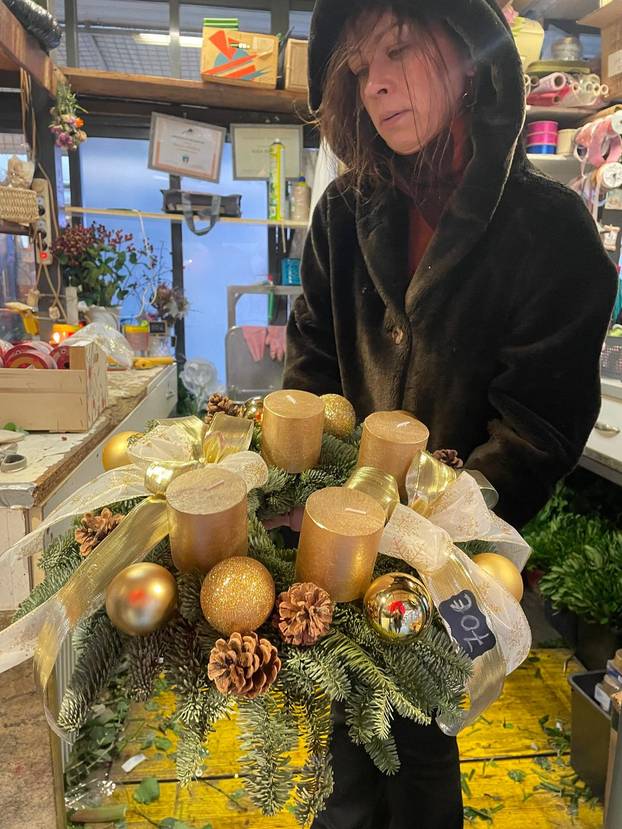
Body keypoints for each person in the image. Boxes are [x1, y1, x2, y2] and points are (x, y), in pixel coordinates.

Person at [283, 1, 618, 827]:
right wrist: (316, 501)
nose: (377, 84)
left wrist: (435, 532)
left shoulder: (551, 231)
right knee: (344, 742)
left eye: (397, 48)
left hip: (458, 559)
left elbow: (540, 425)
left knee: (427, 733)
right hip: (336, 538)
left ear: (469, 56)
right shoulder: (342, 214)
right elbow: (312, 363)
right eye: (359, 68)